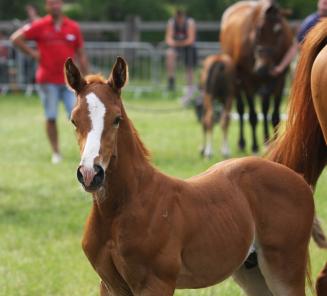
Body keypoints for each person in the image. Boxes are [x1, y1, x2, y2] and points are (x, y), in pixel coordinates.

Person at [10, 0, 88, 164]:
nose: (55, 6)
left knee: (78, 117)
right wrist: (33, 54)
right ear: (47, 7)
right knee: (51, 116)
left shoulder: (73, 27)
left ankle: (86, 151)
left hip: (70, 82)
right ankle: (56, 153)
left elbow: (81, 53)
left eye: (58, 3)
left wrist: (87, 77)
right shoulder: (40, 25)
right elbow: (16, 38)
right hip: (47, 80)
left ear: (62, 5)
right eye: (51, 4)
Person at [272, 0, 327, 76]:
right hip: (310, 62)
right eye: (324, 2)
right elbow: (296, 46)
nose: (325, 6)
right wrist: (281, 67)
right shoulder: (310, 22)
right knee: (296, 70)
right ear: (319, 3)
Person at [165, 9, 197, 106]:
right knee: (169, 53)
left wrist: (179, 43)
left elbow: (191, 39)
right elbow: (168, 39)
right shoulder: (171, 23)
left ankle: (190, 91)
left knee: (189, 69)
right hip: (177, 47)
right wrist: (176, 44)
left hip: (189, 48)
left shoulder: (190, 23)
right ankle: (171, 80)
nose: (179, 19)